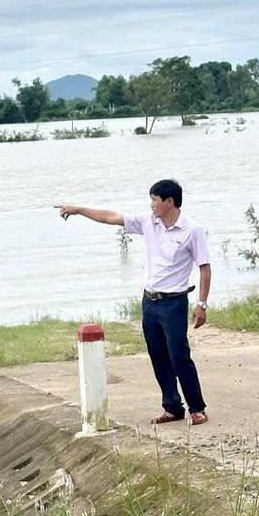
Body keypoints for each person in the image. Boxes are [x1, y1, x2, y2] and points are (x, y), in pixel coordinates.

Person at [56, 179, 212, 426]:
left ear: (169, 202)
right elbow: (112, 217)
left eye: (154, 200)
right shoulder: (149, 222)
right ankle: (172, 406)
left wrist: (201, 304)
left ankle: (196, 407)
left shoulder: (192, 230)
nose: (151, 205)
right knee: (158, 355)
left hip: (174, 303)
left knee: (179, 355)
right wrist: (79, 210)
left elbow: (204, 267)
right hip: (150, 302)